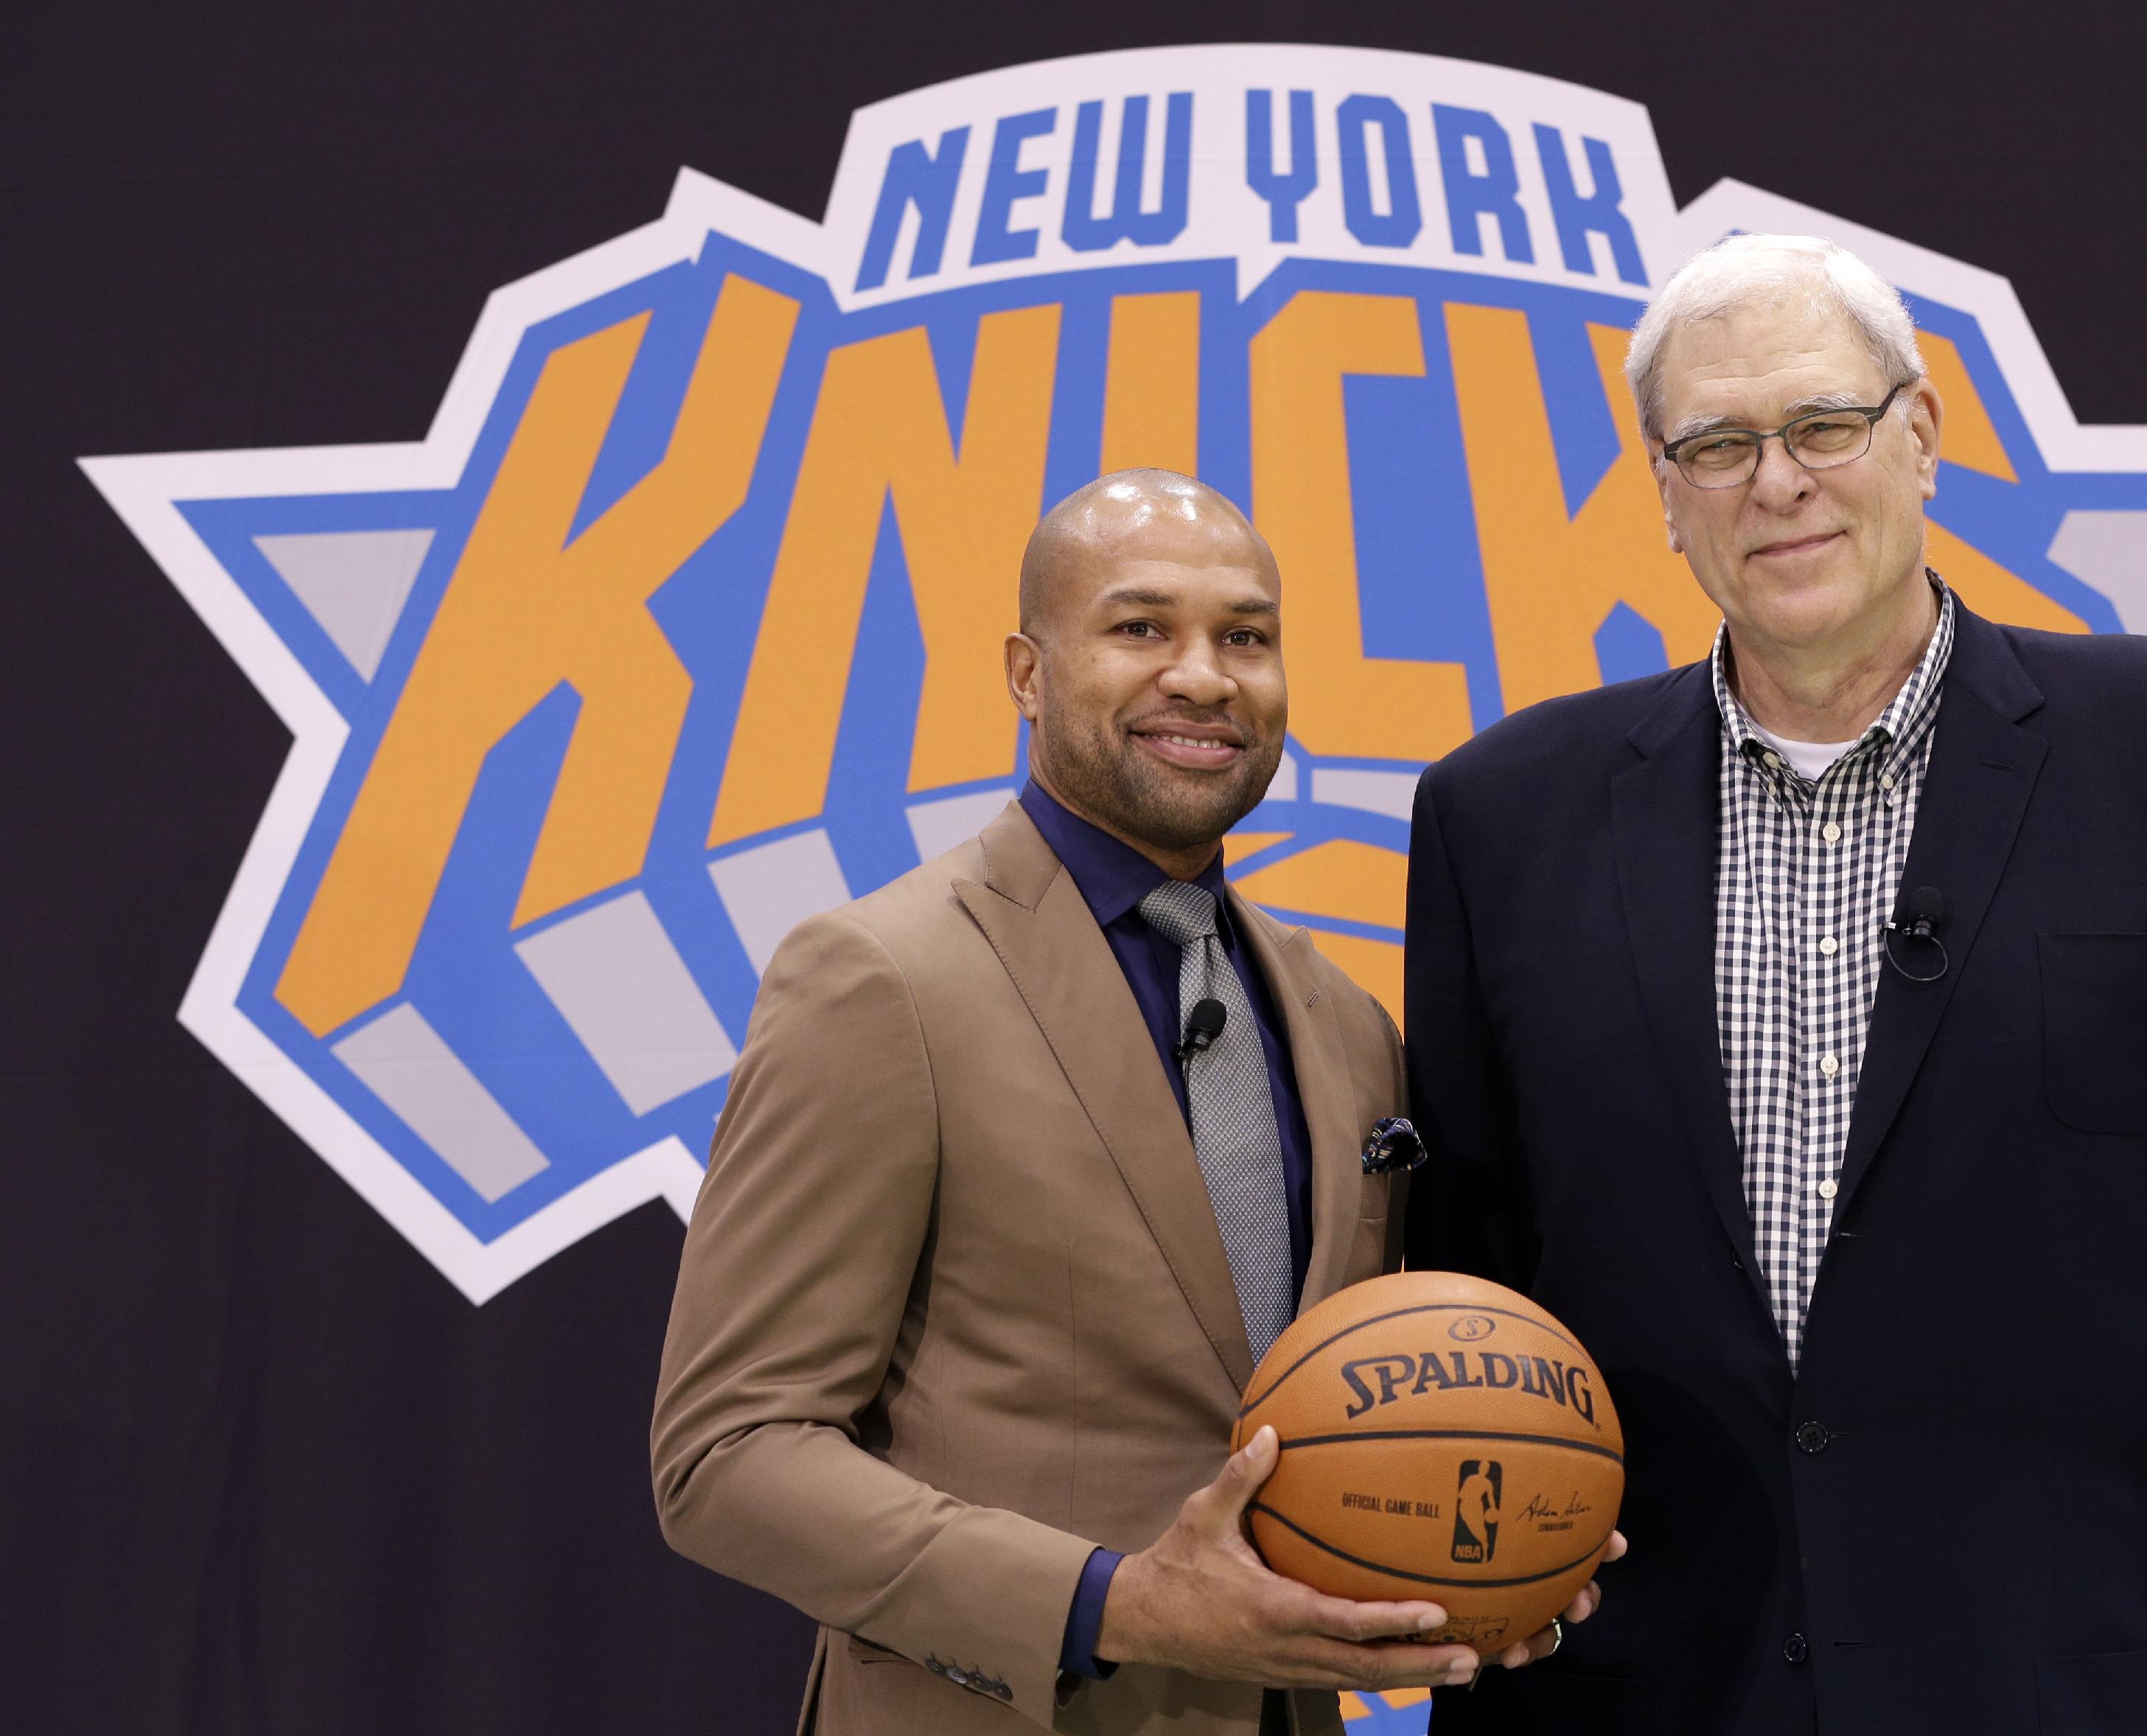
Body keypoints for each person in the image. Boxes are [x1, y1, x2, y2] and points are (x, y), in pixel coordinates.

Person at [1402, 237, 2147, 1734]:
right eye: (1717, 444)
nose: (1777, 481)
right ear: (1662, 494)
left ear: (1920, 436)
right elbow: (1468, 1306)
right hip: (1652, 1699)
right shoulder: (1499, 813)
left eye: (1822, 425)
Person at [651, 470, 1608, 1736]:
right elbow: (728, 1457)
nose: (1205, 678)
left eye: (1246, 637)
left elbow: (1346, 1412)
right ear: (1026, 671)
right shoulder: (881, 980)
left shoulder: (1343, 1023)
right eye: (1140, 627)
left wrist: (1483, 1558)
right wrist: (1111, 1603)